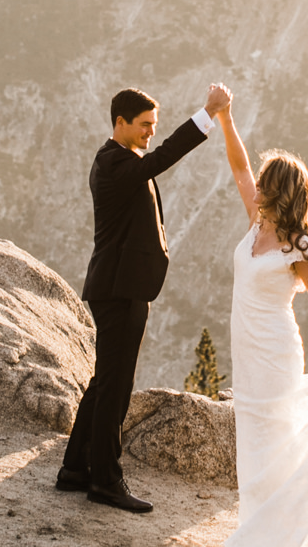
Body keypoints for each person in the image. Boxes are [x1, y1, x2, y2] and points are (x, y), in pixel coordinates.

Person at [148, 105, 308, 547]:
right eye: (258, 182)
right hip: (248, 353)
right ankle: (257, 537)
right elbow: (239, 167)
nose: (256, 186)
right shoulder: (255, 220)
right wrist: (225, 120)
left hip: (278, 355)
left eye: (266, 183)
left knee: (275, 449)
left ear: (280, 191)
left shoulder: (300, 248)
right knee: (254, 450)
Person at [56, 82, 232, 513]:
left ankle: (76, 470)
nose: (150, 132)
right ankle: (106, 482)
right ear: (120, 122)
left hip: (120, 285)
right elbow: (163, 157)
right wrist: (207, 114)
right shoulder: (115, 163)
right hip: (119, 290)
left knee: (105, 383)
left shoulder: (120, 160)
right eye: (144, 125)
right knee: (116, 387)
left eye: (154, 125)